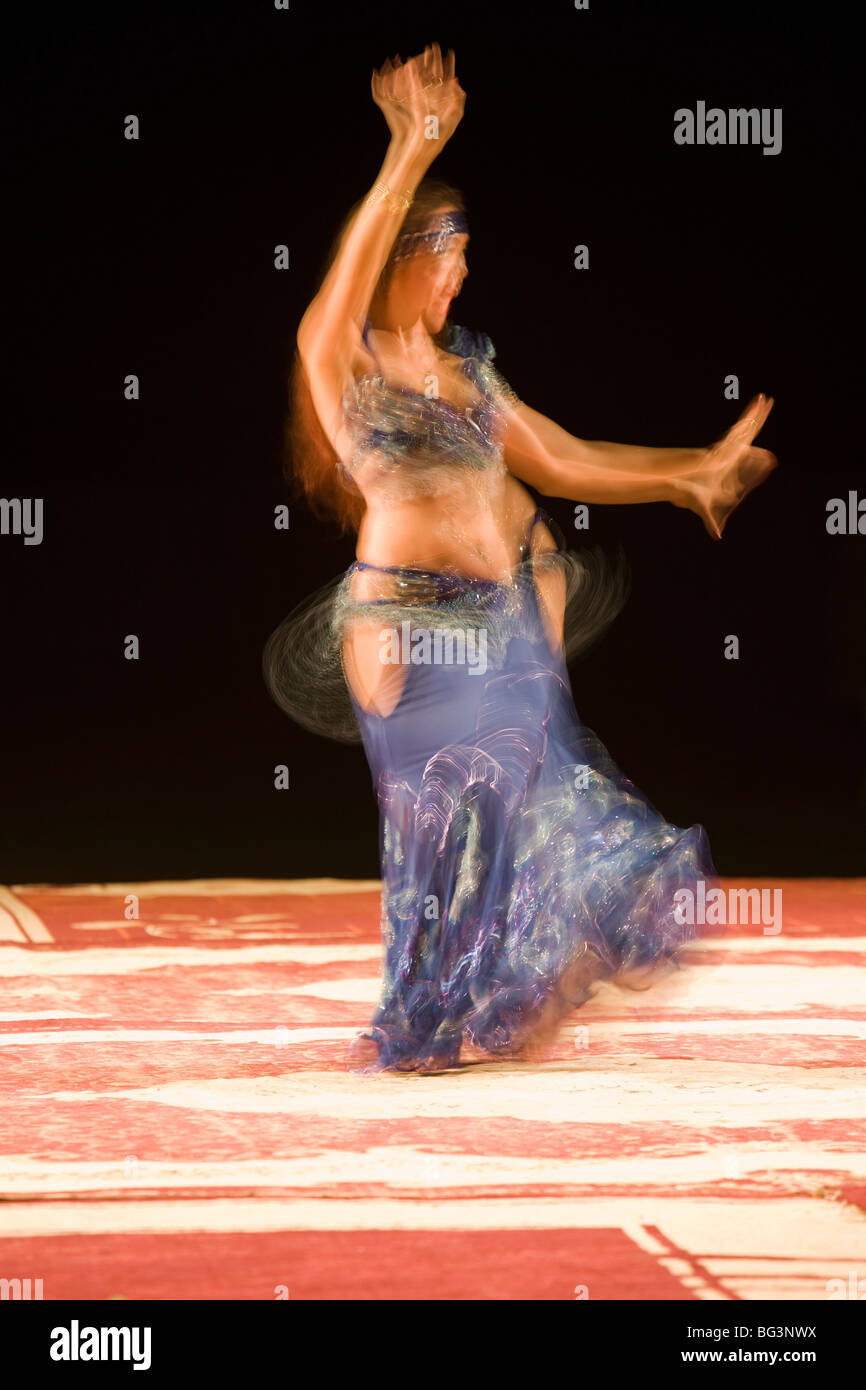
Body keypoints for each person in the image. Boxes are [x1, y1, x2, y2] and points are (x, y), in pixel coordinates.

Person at [264, 44, 777, 1074]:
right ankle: (433, 1007)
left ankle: (501, 995)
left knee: (525, 806)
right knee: (440, 817)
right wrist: (410, 150)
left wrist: (689, 474)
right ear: (400, 258)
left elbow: (563, 456)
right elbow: (344, 279)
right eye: (446, 253)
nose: (461, 272)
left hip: (496, 621)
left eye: (465, 253)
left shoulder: (469, 374)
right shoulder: (343, 356)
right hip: (406, 626)